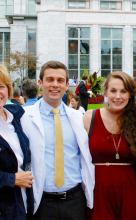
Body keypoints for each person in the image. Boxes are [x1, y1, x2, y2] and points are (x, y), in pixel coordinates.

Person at [24, 60, 95, 220]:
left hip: (75, 201)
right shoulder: (25, 117)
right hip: (41, 202)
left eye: (60, 80)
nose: (55, 85)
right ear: (40, 82)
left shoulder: (78, 117)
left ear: (66, 84)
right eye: (50, 79)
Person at [84, 71, 136, 220]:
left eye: (123, 91)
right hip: (98, 191)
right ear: (105, 92)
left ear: (130, 94)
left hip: (130, 191)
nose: (118, 96)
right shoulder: (89, 117)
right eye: (113, 91)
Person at [0, 65, 34, 219]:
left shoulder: (15, 119)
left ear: (8, 89)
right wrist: (12, 179)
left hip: (22, 205)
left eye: (0, 86)